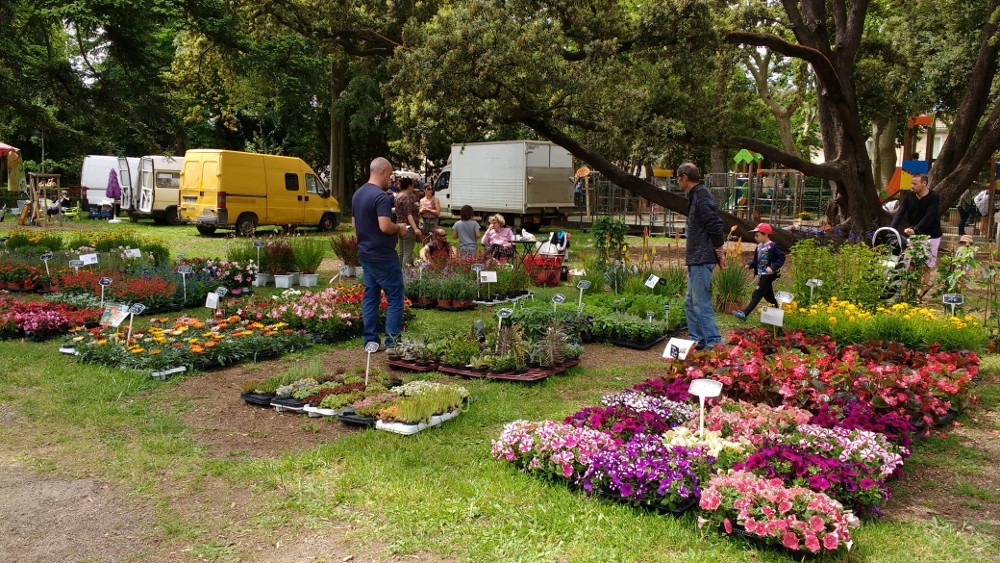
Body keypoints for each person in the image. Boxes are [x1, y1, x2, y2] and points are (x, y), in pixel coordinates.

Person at [352, 157, 409, 350]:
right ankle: (392, 342)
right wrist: (399, 228)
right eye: (390, 174)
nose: (390, 179)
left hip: (365, 252)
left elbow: (355, 225)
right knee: (395, 296)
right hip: (383, 255)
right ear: (383, 171)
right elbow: (385, 226)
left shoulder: (357, 195)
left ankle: (370, 340)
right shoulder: (381, 197)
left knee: (371, 296)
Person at [676, 162, 725, 350]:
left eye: (677, 178)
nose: (677, 181)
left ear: (684, 177)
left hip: (702, 257)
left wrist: (719, 250)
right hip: (696, 257)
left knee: (700, 301)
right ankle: (697, 339)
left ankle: (713, 342)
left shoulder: (702, 196)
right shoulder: (696, 195)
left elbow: (715, 224)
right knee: (690, 301)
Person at [890, 173, 942, 285]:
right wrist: (891, 229)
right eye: (911, 183)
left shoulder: (934, 197)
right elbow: (900, 213)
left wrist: (916, 229)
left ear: (924, 184)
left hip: (931, 236)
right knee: (910, 264)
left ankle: (919, 295)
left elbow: (930, 216)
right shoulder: (909, 196)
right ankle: (911, 292)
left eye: (915, 183)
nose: (911, 186)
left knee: (925, 266)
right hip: (915, 236)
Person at [732, 223, 785, 321]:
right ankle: (778, 315)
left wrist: (773, 267)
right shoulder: (759, 246)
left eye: (757, 235)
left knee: (756, 294)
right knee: (769, 297)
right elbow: (757, 260)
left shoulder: (772, 247)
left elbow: (781, 257)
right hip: (761, 274)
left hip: (768, 275)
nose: (755, 237)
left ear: (765, 234)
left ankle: (744, 314)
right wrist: (750, 265)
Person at [394, 178, 421, 266]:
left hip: (399, 226)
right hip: (408, 228)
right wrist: (415, 228)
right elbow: (409, 214)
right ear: (409, 186)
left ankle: (399, 272)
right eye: (412, 186)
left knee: (401, 252)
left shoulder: (398, 196)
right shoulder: (407, 198)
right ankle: (406, 276)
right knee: (407, 254)